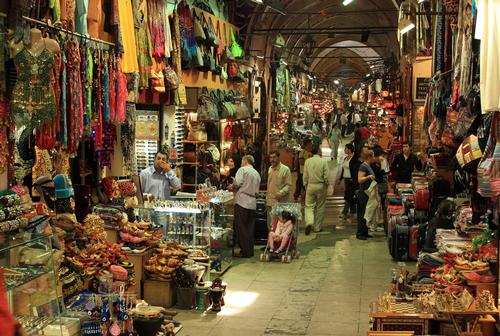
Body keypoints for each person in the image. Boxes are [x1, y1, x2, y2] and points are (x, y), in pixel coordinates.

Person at [230, 155, 261, 257]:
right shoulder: (256, 173)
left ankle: (245, 251)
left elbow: (237, 183)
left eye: (242, 161)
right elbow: (257, 191)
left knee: (242, 227)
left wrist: (232, 184)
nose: (241, 163)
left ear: (245, 161)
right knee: (249, 228)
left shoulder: (242, 170)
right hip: (252, 202)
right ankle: (249, 250)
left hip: (242, 201)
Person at [303, 143, 329, 235]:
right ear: (318, 151)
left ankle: (309, 222)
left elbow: (305, 176)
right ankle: (317, 227)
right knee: (320, 206)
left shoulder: (307, 161)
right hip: (321, 185)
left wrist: (305, 185)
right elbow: (326, 176)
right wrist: (327, 185)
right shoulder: (323, 161)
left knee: (309, 206)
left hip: (310, 185)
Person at [266, 150, 292, 224]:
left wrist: (281, 192)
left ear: (278, 157)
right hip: (270, 201)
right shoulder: (270, 169)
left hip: (281, 202)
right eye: (270, 157)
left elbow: (288, 185)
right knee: (270, 224)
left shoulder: (285, 169)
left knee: (279, 225)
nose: (272, 159)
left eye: (274, 157)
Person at [357, 150, 376, 240]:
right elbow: (360, 179)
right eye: (373, 156)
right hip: (363, 193)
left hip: (368, 193)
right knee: (362, 213)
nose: (374, 158)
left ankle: (365, 232)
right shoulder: (363, 166)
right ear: (369, 157)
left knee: (366, 212)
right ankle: (360, 233)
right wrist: (368, 177)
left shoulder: (368, 166)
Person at [337, 143, 356, 219]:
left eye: (346, 149)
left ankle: (344, 212)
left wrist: (353, 178)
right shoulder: (345, 158)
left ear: (350, 149)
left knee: (348, 196)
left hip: (351, 180)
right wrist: (340, 179)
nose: (344, 150)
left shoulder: (354, 159)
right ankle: (353, 211)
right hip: (346, 179)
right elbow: (343, 170)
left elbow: (355, 170)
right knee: (350, 195)